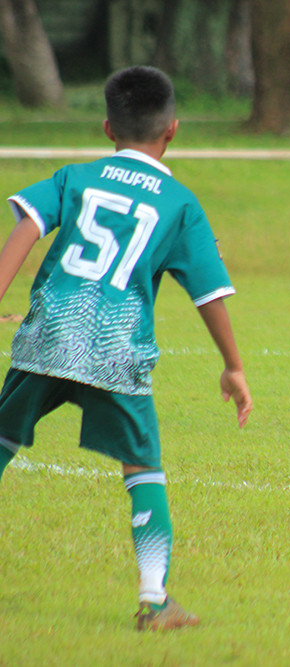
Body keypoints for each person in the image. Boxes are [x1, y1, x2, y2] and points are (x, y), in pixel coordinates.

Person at [0, 66, 253, 631]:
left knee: (1, 440)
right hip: (117, 352)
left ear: (108, 126)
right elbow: (209, 295)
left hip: (48, 336)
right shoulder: (181, 203)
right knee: (144, 471)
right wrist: (233, 366)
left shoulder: (77, 177)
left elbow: (25, 228)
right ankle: (155, 601)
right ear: (173, 131)